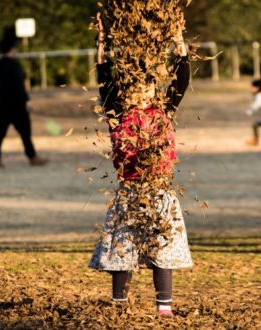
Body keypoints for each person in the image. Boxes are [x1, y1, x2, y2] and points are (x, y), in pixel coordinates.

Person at [89, 14, 192, 317]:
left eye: (146, 86)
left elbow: (182, 78)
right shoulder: (117, 116)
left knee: (162, 250)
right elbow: (104, 80)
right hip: (129, 193)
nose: (140, 91)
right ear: (126, 93)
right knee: (122, 250)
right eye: (133, 87)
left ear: (154, 89)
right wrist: (102, 43)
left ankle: (164, 308)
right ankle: (119, 305)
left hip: (159, 193)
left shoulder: (164, 113)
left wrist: (178, 40)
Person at [0, 26, 48, 168]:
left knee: (0, 132)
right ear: (11, 49)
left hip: (3, 103)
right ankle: (32, 157)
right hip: (16, 105)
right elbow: (19, 86)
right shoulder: (14, 65)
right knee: (25, 131)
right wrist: (26, 100)